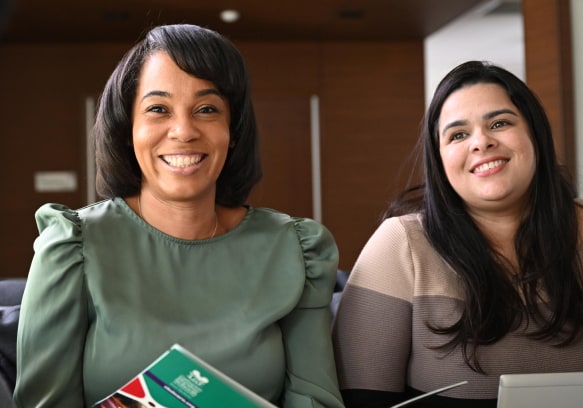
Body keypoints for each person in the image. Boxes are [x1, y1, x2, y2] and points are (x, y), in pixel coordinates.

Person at [14, 24, 344, 408]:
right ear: (128, 130)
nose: (184, 131)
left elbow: (315, 399)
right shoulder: (72, 246)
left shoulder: (296, 249)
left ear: (232, 130)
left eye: (207, 109)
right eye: (158, 109)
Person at [331, 60, 583, 407]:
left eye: (500, 123)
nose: (481, 142)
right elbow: (359, 401)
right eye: (458, 135)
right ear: (440, 159)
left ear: (535, 135)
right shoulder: (401, 245)